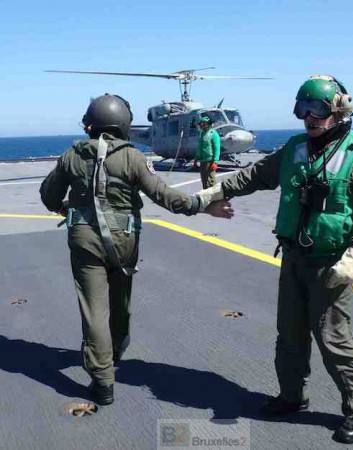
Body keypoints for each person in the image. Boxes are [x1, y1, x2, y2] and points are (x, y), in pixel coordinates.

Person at [196, 75, 353, 444]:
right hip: (293, 258)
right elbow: (257, 175)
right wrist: (217, 190)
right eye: (302, 109)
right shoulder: (295, 149)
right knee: (289, 334)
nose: (309, 116)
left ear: (338, 110)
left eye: (317, 109)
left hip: (332, 262)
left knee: (333, 338)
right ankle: (292, 397)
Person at [40, 94, 232, 406]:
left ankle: (102, 382)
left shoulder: (72, 155)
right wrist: (202, 205)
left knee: (94, 311)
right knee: (121, 300)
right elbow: (165, 196)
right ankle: (116, 350)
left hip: (85, 242)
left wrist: (70, 209)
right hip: (124, 242)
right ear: (124, 125)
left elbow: (49, 197)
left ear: (89, 124)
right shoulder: (132, 157)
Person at [194, 116, 221, 189]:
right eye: (200, 124)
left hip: (210, 161)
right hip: (202, 161)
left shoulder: (213, 134)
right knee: (204, 181)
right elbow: (199, 148)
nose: (201, 126)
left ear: (208, 124)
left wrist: (215, 161)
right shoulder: (202, 134)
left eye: (203, 124)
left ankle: (215, 197)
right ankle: (206, 195)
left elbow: (216, 148)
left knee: (211, 181)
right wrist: (196, 159)